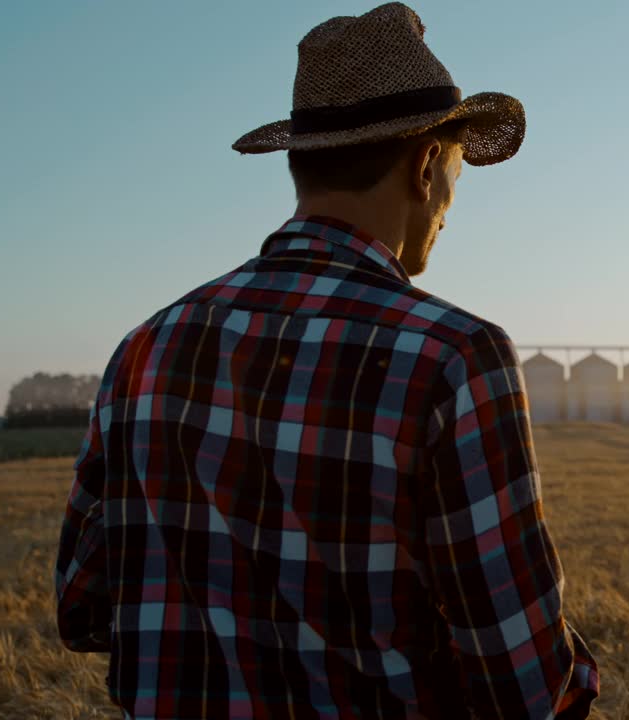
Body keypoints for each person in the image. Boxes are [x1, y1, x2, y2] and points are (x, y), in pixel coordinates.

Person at [53, 4, 600, 718]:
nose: (448, 208)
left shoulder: (145, 348)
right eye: (456, 179)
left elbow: (84, 609)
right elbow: (522, 688)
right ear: (427, 164)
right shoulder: (452, 355)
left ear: (303, 164)